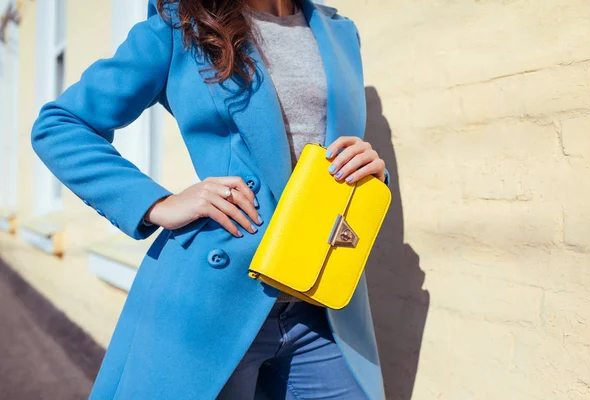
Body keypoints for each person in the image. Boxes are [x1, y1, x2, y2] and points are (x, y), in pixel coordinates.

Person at [30, 0, 391, 399]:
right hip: (213, 301)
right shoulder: (179, 26)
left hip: (322, 304)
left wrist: (367, 171)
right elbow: (61, 124)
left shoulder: (338, 32)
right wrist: (155, 203)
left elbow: (322, 147)